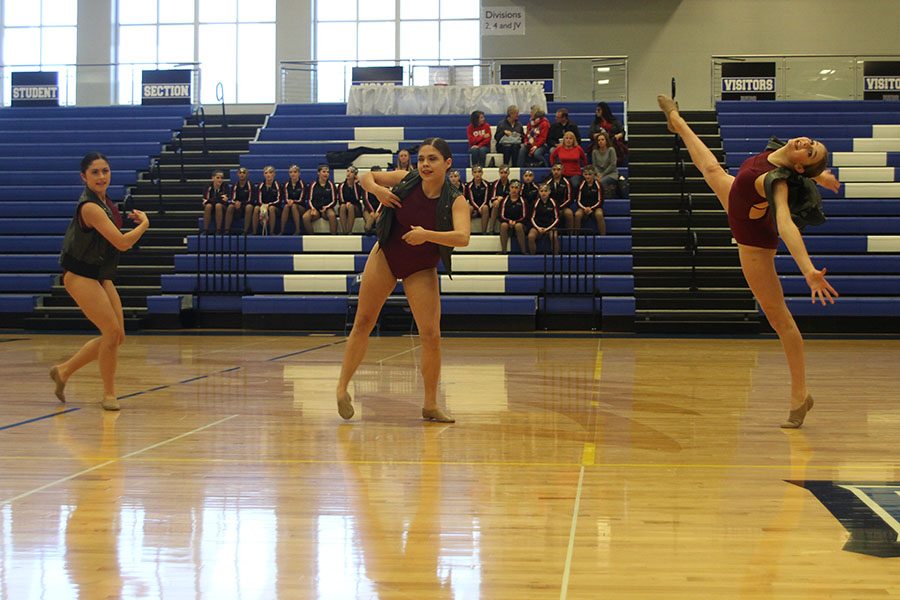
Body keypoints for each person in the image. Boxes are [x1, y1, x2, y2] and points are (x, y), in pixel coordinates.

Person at [658, 94, 840, 428]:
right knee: (710, 167)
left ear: (798, 165)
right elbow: (799, 173)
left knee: (779, 319)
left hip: (753, 242)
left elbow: (784, 222)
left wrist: (808, 270)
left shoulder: (777, 180)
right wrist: (818, 176)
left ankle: (800, 396)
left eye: (809, 151)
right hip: (735, 199)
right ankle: (677, 120)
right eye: (811, 142)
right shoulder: (780, 156)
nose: (805, 142)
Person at [335, 137, 471, 423]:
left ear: (447, 163)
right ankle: (341, 388)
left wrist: (426, 235)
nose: (425, 164)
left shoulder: (456, 200)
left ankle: (430, 404)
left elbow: (463, 237)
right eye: (422, 158)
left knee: (431, 335)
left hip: (420, 267)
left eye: (432, 159)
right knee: (363, 322)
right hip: (386, 255)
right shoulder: (406, 178)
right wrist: (376, 190)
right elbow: (365, 176)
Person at [49, 152, 150, 411]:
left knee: (117, 336)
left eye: (105, 171)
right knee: (111, 333)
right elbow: (122, 242)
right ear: (84, 177)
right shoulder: (91, 207)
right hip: (80, 275)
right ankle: (109, 394)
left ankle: (64, 370)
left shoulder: (106, 203)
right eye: (95, 172)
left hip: (100, 275)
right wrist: (144, 225)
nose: (101, 176)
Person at [303, 164, 338, 235]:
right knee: (305, 217)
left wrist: (327, 207)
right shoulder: (313, 184)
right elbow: (309, 199)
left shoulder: (331, 184)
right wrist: (313, 208)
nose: (326, 174)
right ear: (318, 173)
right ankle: (311, 237)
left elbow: (334, 200)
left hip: (327, 208)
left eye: (328, 172)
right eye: (324, 172)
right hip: (316, 208)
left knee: (332, 215)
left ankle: (333, 236)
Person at [338, 166, 372, 235]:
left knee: (351, 207)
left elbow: (357, 198)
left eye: (351, 172)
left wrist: (357, 183)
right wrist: (346, 203)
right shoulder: (341, 185)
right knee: (342, 207)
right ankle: (344, 232)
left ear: (355, 175)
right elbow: (341, 200)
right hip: (344, 206)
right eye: (348, 171)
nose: (349, 173)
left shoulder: (358, 186)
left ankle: (349, 231)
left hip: (356, 207)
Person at [528, 183, 560, 255]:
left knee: (554, 236)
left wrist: (548, 229)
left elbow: (557, 218)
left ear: (549, 192)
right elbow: (532, 218)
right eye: (541, 191)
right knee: (531, 236)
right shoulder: (535, 203)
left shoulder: (553, 202)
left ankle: (556, 255)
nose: (543, 193)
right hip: (537, 226)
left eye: (545, 191)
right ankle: (533, 256)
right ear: (539, 192)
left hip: (550, 226)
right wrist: (538, 228)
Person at [573, 166, 605, 235]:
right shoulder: (580, 185)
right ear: (583, 175)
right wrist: (585, 208)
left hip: (596, 207)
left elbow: (600, 201)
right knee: (577, 214)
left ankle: (603, 236)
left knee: (599, 214)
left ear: (594, 175)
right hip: (583, 207)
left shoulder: (598, 185)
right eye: (586, 174)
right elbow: (578, 200)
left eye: (590, 174)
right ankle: (576, 236)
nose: (588, 177)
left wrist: (591, 208)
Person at [498, 180, 527, 254]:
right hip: (508, 223)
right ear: (509, 188)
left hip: (520, 223)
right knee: (503, 225)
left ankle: (523, 251)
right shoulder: (504, 200)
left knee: (518, 226)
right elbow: (501, 215)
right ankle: (504, 251)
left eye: (516, 188)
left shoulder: (523, 201)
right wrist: (508, 221)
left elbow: (525, 216)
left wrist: (516, 222)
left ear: (519, 189)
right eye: (512, 187)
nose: (514, 190)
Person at [253, 166, 281, 235]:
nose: (268, 175)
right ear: (264, 174)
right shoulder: (261, 185)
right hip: (263, 205)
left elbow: (279, 200)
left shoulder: (277, 185)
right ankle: (254, 232)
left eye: (270, 172)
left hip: (275, 207)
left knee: (271, 209)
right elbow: (258, 199)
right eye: (266, 173)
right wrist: (263, 206)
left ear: (274, 174)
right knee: (256, 208)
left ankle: (271, 232)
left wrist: (269, 205)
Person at [592, 129, 620, 198]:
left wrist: (602, 174)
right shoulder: (595, 152)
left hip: (611, 174)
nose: (600, 142)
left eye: (602, 140)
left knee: (601, 182)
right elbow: (594, 165)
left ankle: (603, 198)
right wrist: (598, 173)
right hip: (599, 174)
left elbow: (613, 165)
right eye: (599, 140)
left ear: (606, 141)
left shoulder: (611, 150)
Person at [546, 164, 574, 230]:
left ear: (562, 171)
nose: (556, 172)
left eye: (558, 170)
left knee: (569, 213)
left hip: (563, 206)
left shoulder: (567, 182)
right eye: (554, 170)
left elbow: (570, 199)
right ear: (551, 171)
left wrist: (560, 207)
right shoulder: (548, 182)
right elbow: (545, 197)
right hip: (551, 207)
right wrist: (554, 207)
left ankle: (570, 235)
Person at [201, 169, 230, 234]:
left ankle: (218, 230)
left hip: (223, 207)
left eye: (221, 178)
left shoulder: (225, 186)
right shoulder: (207, 187)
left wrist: (210, 200)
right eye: (218, 178)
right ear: (212, 178)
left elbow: (224, 201)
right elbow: (205, 202)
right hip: (211, 207)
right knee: (208, 206)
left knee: (218, 205)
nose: (220, 180)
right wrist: (218, 199)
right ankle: (206, 230)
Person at [465, 165, 491, 234]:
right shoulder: (469, 185)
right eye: (475, 172)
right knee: (469, 208)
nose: (477, 174)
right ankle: (466, 231)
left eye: (479, 172)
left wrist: (481, 207)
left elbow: (486, 199)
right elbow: (471, 199)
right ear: (472, 173)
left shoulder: (487, 184)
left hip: (484, 207)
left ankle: (484, 232)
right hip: (474, 207)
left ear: (482, 173)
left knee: (485, 208)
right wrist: (477, 208)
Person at [226, 167, 253, 234]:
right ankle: (226, 230)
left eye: (244, 173)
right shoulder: (235, 185)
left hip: (246, 205)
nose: (242, 174)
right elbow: (232, 198)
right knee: (230, 207)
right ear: (237, 174)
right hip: (237, 206)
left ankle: (245, 231)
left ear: (247, 174)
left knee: (249, 207)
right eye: (240, 173)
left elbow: (251, 199)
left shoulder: (250, 185)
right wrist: (235, 203)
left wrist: (241, 203)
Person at [281, 164, 306, 235]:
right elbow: (285, 197)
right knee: (286, 206)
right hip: (289, 205)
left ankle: (298, 229)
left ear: (299, 173)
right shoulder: (287, 184)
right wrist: (288, 201)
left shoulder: (302, 183)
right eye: (291, 172)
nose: (293, 174)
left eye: (295, 172)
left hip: (301, 207)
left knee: (294, 206)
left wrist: (293, 201)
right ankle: (282, 230)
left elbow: (302, 199)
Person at [487, 165, 512, 234]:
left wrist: (502, 198)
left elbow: (513, 196)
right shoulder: (495, 183)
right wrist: (497, 199)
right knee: (495, 204)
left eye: (505, 172)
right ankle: (491, 230)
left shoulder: (511, 184)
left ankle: (510, 229)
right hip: (498, 205)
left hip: (508, 205)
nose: (503, 175)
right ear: (499, 173)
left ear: (508, 173)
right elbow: (492, 197)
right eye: (502, 173)